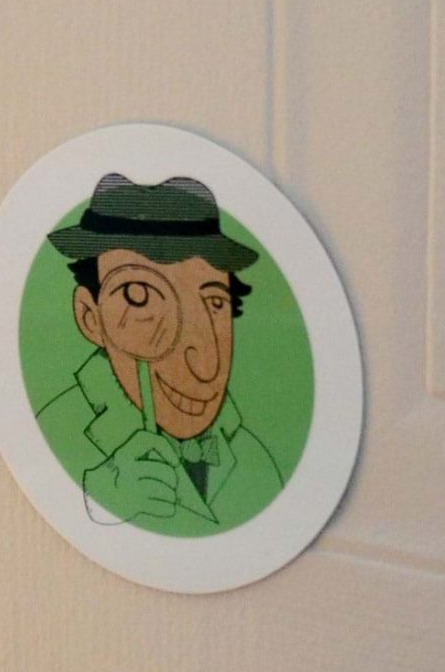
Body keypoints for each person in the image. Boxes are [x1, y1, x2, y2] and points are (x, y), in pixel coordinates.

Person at [35, 172, 284, 530]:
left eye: (215, 302)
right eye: (140, 298)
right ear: (91, 318)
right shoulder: (53, 433)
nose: (206, 367)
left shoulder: (254, 457)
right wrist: (98, 501)